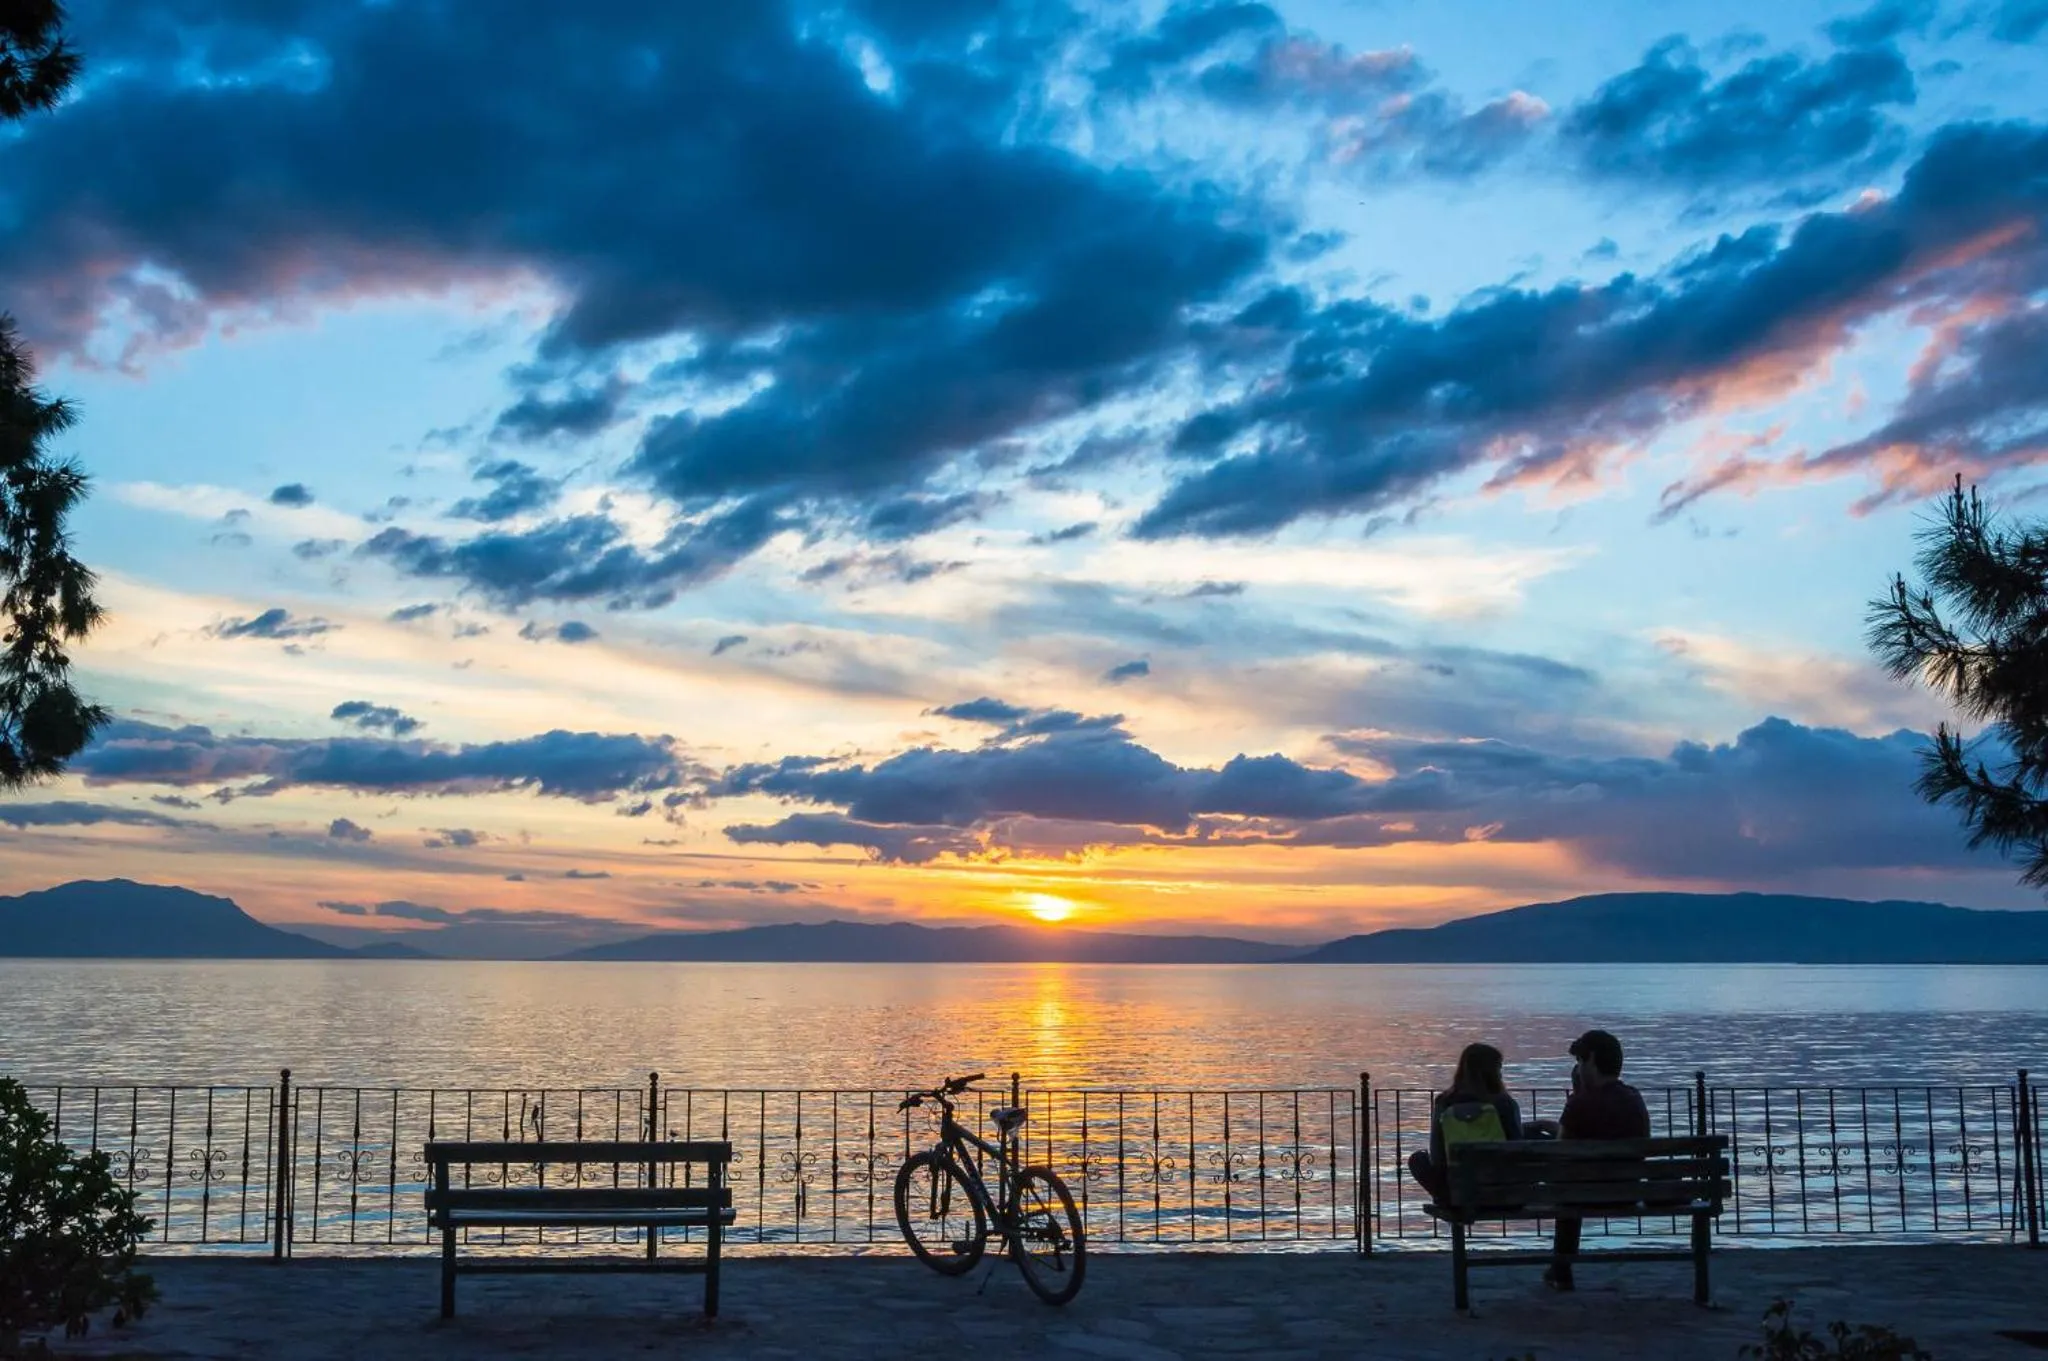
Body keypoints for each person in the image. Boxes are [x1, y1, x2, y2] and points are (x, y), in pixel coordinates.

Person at [1545, 1028, 1650, 1292]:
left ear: (1591, 1059)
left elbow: (1561, 1153)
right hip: (1627, 1191)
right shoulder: (1634, 1098)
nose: (1578, 1068)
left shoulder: (1580, 1104)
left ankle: (1562, 1268)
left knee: (1569, 1187)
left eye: (1580, 1061)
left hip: (1586, 1194)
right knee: (1577, 1182)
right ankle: (1560, 1267)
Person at [1407, 1042, 1523, 1204]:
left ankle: (1444, 1199)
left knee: (1417, 1159)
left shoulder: (1445, 1102)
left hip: (1458, 1192)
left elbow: (1437, 1152)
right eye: (1499, 1068)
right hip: (1501, 1192)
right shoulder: (1504, 1104)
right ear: (1492, 1072)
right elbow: (1517, 1145)